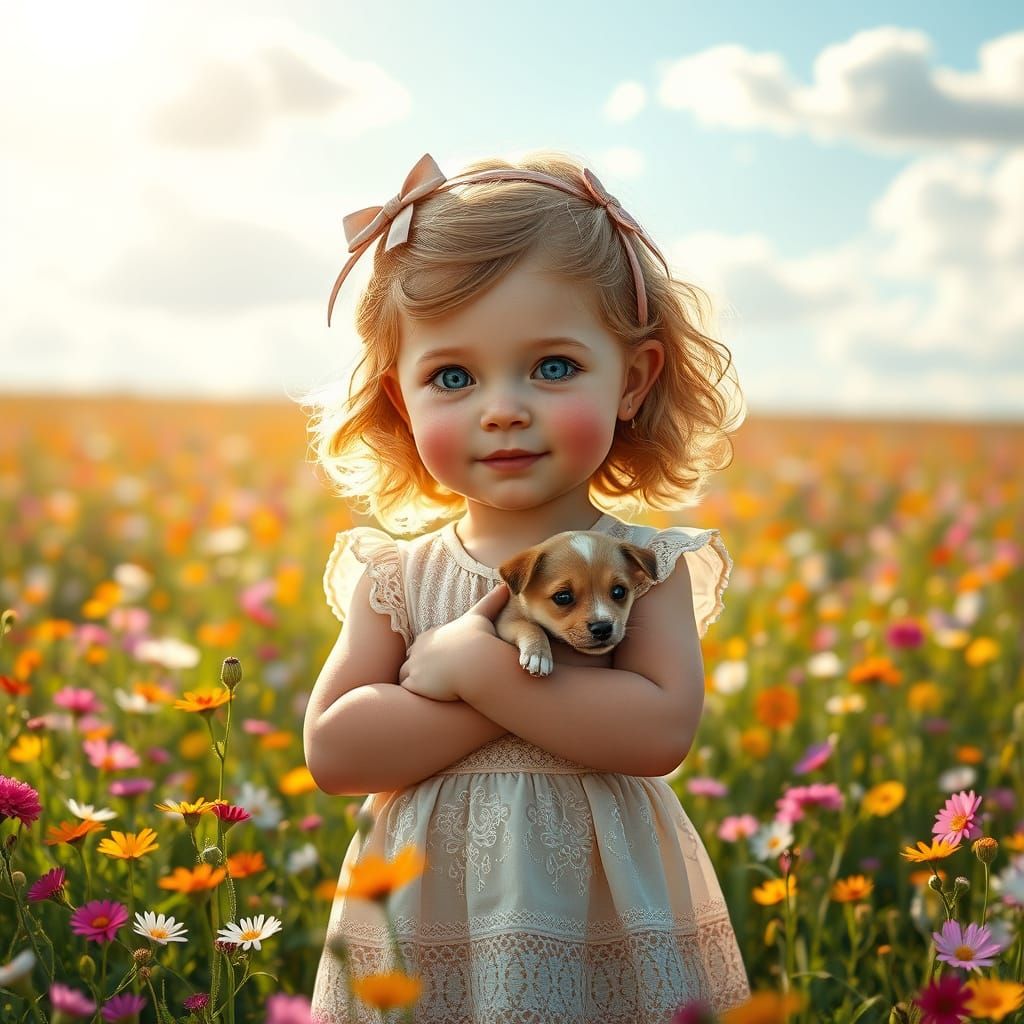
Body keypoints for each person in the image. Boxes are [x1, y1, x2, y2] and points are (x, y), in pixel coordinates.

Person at [301, 150, 750, 1022]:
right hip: (427, 913)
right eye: (454, 377)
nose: (502, 408)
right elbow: (335, 751)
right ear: (401, 399)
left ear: (636, 379)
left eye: (551, 368)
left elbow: (658, 730)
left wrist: (474, 670)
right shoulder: (399, 577)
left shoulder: (644, 565)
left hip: (598, 907)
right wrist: (489, 671)